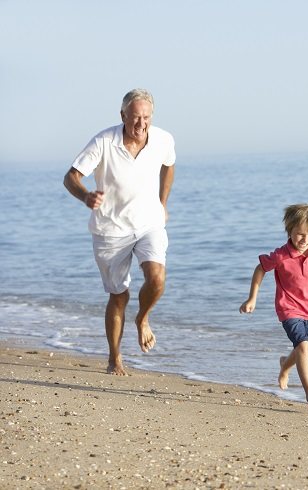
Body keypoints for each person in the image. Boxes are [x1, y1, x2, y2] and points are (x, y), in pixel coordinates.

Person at [63, 88, 176, 376]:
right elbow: (71, 177)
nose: (141, 124)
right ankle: (115, 358)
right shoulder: (103, 141)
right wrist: (86, 196)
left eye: (146, 117)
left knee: (157, 278)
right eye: (135, 117)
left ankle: (143, 318)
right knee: (119, 295)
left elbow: (168, 165)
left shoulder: (163, 139)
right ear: (122, 114)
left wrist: (163, 203)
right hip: (110, 229)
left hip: (149, 222)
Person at [240, 203, 308, 410]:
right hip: (288, 308)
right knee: (304, 347)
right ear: (289, 231)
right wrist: (252, 298)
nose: (306, 240)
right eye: (300, 234)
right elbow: (260, 268)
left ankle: (285, 364)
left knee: (306, 351)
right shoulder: (281, 255)